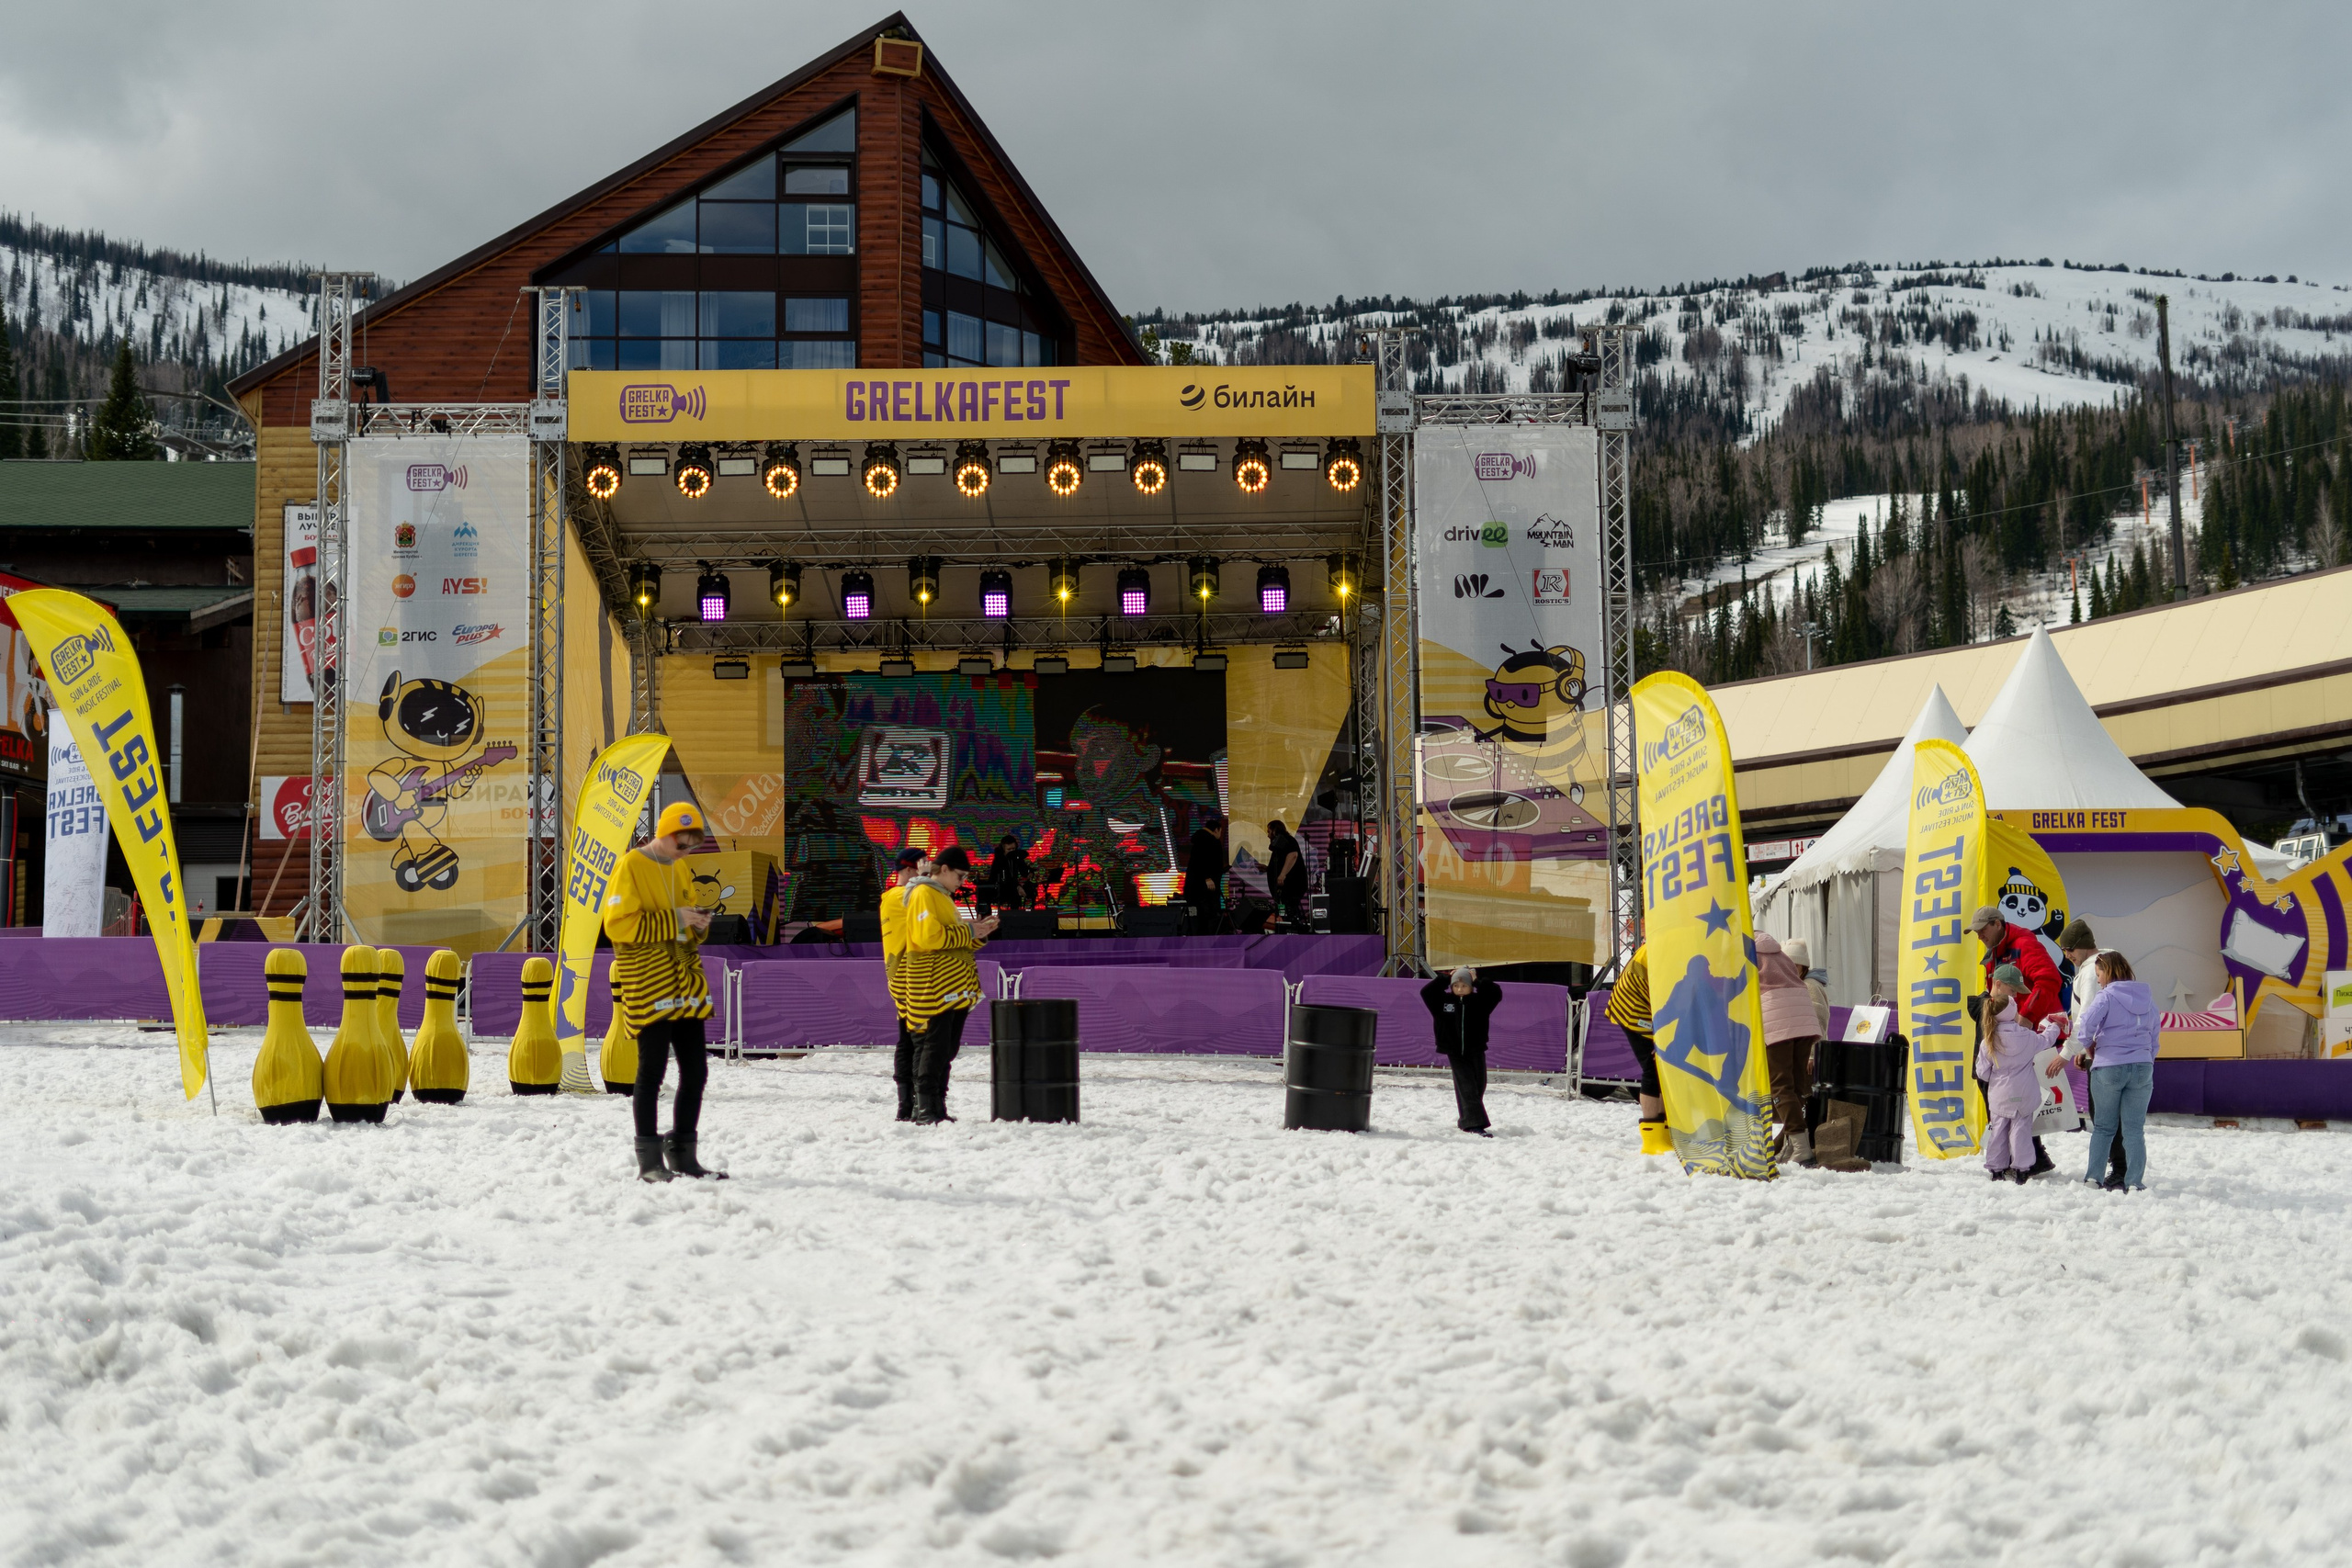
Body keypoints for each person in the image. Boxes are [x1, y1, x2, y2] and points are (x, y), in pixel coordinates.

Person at [603, 801, 723, 1181]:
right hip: (648, 980)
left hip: (684, 980)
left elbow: (685, 921)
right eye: (680, 842)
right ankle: (649, 1160)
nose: (684, 851)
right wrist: (675, 918)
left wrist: (698, 922)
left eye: (691, 845)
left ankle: (683, 1153)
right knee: (651, 1069)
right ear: (664, 832)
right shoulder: (630, 865)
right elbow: (617, 925)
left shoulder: (682, 868)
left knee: (696, 1070)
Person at [899, 845, 999, 1122]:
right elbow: (928, 937)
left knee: (945, 1050)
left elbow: (953, 943)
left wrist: (979, 933)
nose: (962, 883)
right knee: (934, 1048)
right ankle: (925, 1109)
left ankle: (937, 1108)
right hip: (934, 988)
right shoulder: (923, 894)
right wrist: (970, 930)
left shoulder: (941, 897)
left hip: (953, 987)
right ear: (943, 870)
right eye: (960, 876)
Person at [1972, 904, 2063, 1175]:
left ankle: (2026, 1159)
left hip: (2019, 1033)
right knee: (2007, 1098)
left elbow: (2049, 979)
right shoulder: (2000, 949)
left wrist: (2026, 1017)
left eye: (1981, 930)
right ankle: (2026, 1158)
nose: (1978, 936)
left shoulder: (2024, 943)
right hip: (2009, 1031)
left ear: (1997, 924)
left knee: (2007, 1098)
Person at [2065, 951, 2159, 1190]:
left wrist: (2090, 1049)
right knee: (2134, 1130)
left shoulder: (2105, 997)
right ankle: (2135, 1182)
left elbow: (2085, 1026)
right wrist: (2144, 1060)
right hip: (2142, 1068)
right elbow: (2155, 1040)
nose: (2098, 980)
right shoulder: (2148, 999)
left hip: (2108, 1067)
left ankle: (2093, 1179)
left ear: (2108, 971)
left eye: (2099, 974)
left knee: (2105, 1128)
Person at [1977, 963, 2066, 1185]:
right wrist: (2055, 1025)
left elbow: (1982, 1071)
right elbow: (2047, 1040)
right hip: (2025, 1092)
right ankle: (2022, 1168)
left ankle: (1996, 1169)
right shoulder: (2026, 1036)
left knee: (1998, 1131)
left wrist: (1995, 1079)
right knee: (2021, 1131)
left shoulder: (1988, 1040)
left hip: (1999, 1094)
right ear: (2014, 1012)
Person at [2058, 918, 2127, 1186]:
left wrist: (2067, 1052)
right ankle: (2124, 1166)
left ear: (2081, 947)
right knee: (2118, 1114)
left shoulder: (2090, 970)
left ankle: (2120, 1169)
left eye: (2068, 950)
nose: (2067, 956)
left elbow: (2087, 1016)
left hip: (2103, 1053)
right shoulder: (2115, 961)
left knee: (2104, 1115)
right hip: (2120, 1050)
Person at [1602, 929, 1671, 1154]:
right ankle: (1652, 1139)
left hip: (1646, 1004)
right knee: (1653, 1066)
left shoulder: (1672, 942)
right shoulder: (1667, 949)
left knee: (1663, 1067)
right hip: (1635, 1009)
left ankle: (1664, 1131)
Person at [1756, 932, 1820, 1163]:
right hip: (1803, 1018)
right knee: (1795, 1085)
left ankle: (1801, 1147)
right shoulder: (1779, 954)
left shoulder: (1746, 952)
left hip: (1778, 1019)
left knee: (1780, 1085)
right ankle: (1792, 1145)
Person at [878, 846, 930, 1122]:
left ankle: (906, 1105)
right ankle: (917, 1104)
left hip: (899, 975)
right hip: (914, 977)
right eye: (923, 869)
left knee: (907, 1040)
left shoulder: (889, 897)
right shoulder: (903, 897)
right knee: (919, 1043)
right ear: (910, 869)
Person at [1421, 966, 1502, 1135]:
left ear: (1471, 987)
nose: (1459, 989)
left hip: (1476, 1049)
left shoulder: (1481, 1001)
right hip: (1454, 1051)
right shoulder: (1442, 1001)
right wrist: (1445, 978)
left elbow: (1496, 993)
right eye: (1456, 986)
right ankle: (1474, 1124)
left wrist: (1477, 981)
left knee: (1478, 1085)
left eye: (1464, 985)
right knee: (1467, 1086)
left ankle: (1466, 1118)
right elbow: (1426, 992)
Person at [1184, 814, 1228, 934]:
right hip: (1206, 887)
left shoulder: (1200, 839)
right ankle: (1209, 936)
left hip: (1197, 886)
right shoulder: (1208, 840)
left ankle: (1202, 934)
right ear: (1217, 830)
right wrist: (1208, 878)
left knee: (1202, 913)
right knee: (1209, 912)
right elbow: (1202, 860)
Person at [1785, 938, 1832, 1040]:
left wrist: (1810, 1052)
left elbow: (1818, 1020)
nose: (1790, 969)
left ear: (1803, 966)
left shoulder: (1810, 986)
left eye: (1795, 965)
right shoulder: (1797, 984)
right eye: (1787, 965)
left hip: (1810, 1052)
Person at [1266, 818, 1309, 926]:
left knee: (1290, 909)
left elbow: (1293, 855)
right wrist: (1268, 869)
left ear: (1275, 830)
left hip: (1292, 886)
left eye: (1269, 831)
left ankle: (1293, 927)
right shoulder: (1280, 844)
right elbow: (1280, 863)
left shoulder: (1288, 840)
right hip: (1285, 888)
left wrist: (1282, 875)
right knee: (1286, 910)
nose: (1268, 835)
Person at [978, 834, 1030, 919]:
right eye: (1009, 849)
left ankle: (1017, 920)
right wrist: (1017, 887)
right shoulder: (999, 860)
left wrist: (1028, 873)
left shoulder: (1017, 857)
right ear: (1003, 849)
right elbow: (1003, 880)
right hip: (1001, 889)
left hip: (1012, 888)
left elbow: (1024, 872)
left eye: (1013, 849)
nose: (1012, 851)